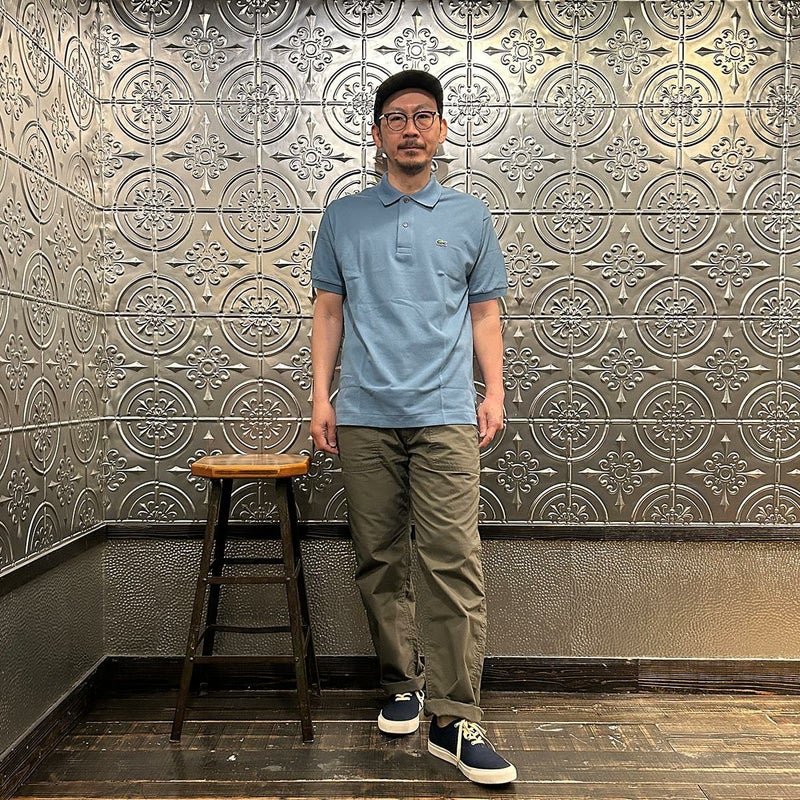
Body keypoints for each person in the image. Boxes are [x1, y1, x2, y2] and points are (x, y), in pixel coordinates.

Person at [310, 69, 515, 785]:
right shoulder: (343, 218)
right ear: (377, 134)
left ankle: (455, 718)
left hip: (447, 414)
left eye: (423, 115)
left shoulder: (470, 216)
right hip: (365, 413)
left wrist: (493, 390)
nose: (410, 129)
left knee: (452, 560)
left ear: (442, 130)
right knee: (379, 558)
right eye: (395, 117)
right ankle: (400, 682)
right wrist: (321, 396)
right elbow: (328, 311)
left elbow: (485, 312)